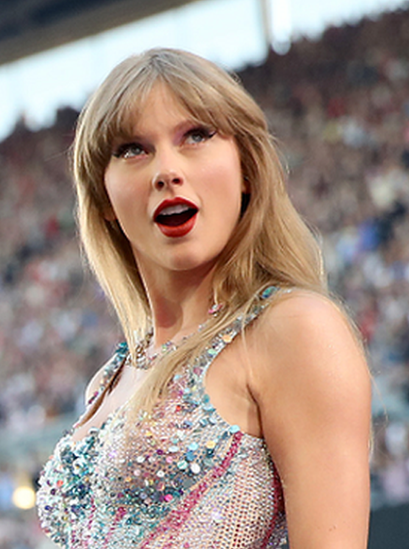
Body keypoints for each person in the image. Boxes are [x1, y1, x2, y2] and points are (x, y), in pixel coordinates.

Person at [37, 48, 371, 548]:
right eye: (133, 149)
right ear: (103, 199)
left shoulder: (293, 329)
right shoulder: (107, 383)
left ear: (247, 171)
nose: (166, 171)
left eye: (196, 136)